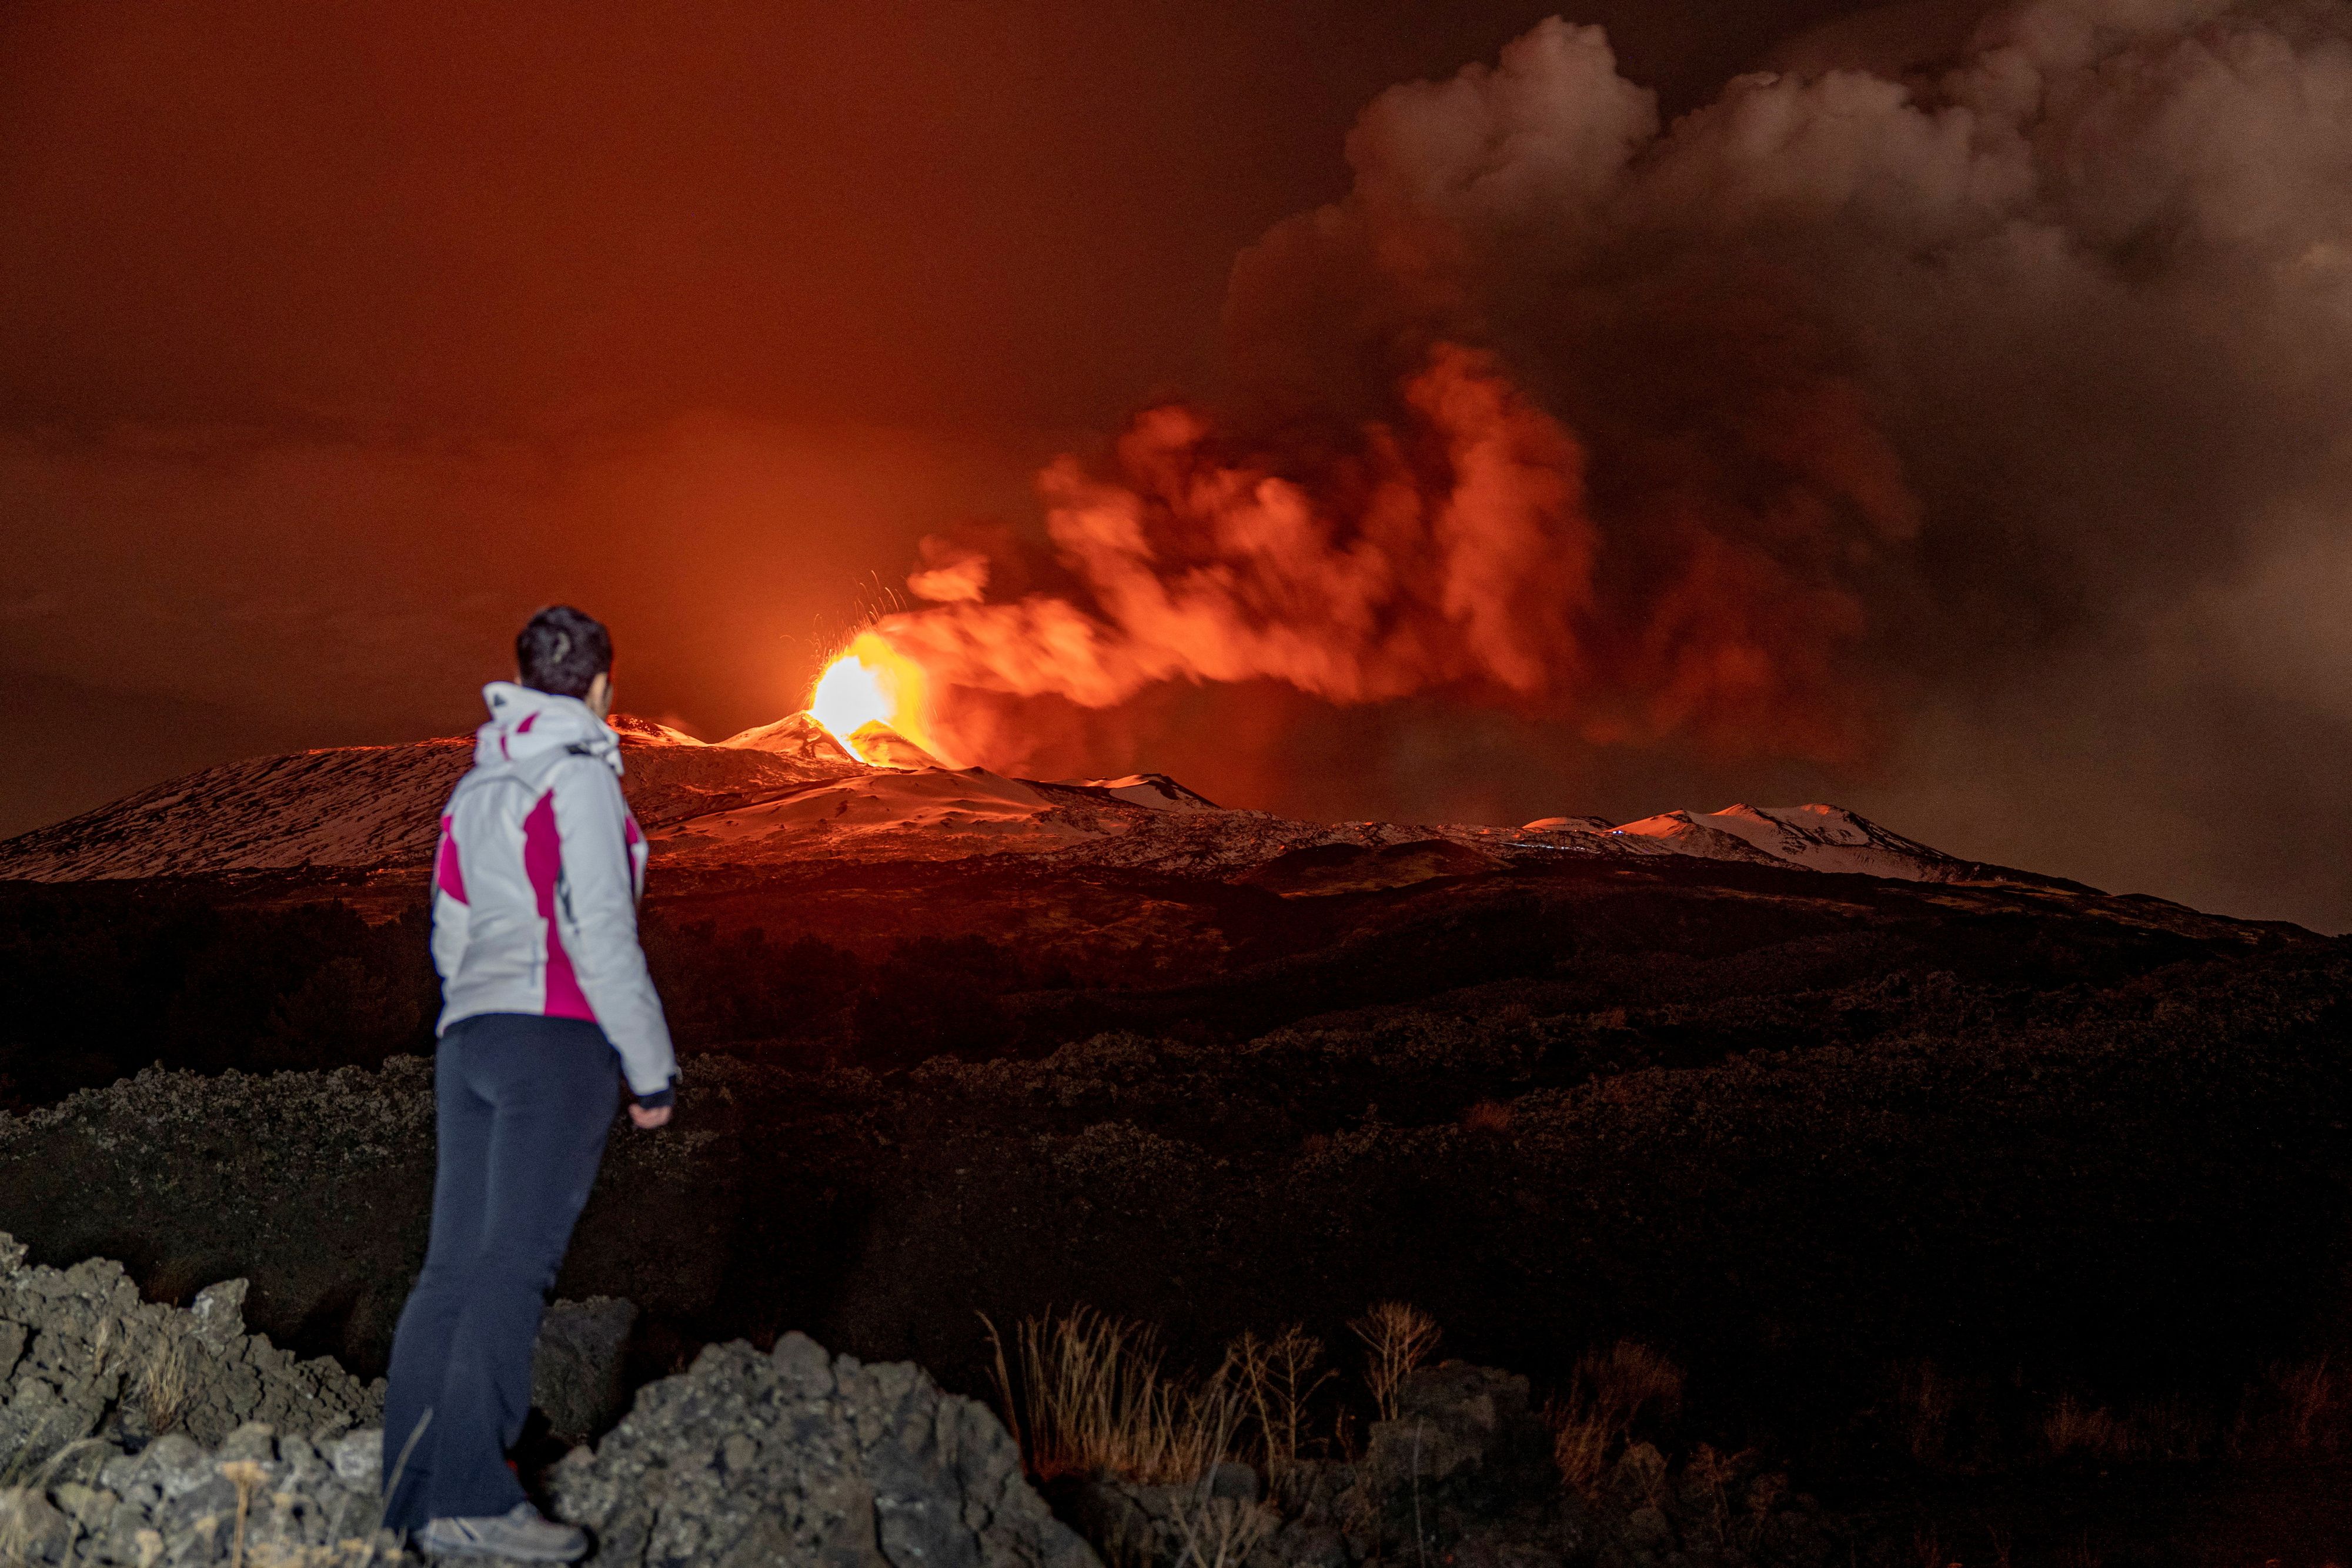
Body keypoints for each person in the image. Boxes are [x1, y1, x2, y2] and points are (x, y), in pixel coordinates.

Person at [382, 605, 679, 1561]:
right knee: (514, 1270)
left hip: (470, 1039)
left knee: (450, 1273)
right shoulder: (580, 778)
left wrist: (469, 1022)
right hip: (555, 1040)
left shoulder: (477, 787)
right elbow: (601, 931)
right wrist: (651, 1069)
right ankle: (474, 1498)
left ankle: (414, 1496)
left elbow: (451, 932)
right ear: (602, 687)